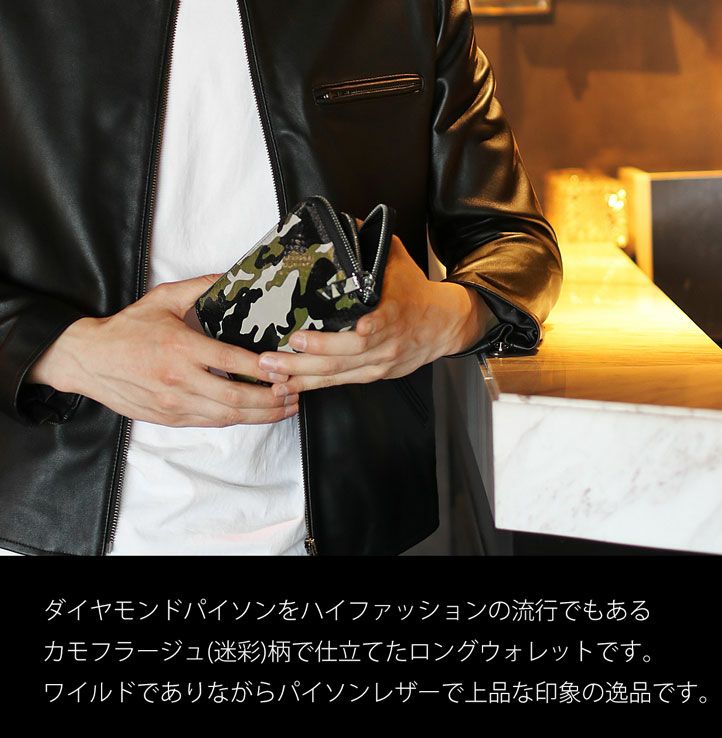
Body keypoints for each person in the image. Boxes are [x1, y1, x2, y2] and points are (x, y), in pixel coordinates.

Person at [0, 0, 562, 556]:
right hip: (55, 513)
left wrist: (445, 318)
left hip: (345, 522)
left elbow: (514, 239)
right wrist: (72, 352)